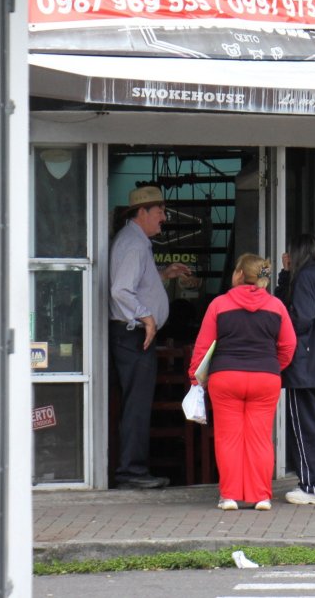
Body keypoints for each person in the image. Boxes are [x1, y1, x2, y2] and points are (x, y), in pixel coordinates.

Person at [189, 253, 296, 511]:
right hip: (265, 379)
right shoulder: (276, 307)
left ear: (238, 274)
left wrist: (195, 377)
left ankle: (230, 496)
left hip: (226, 378)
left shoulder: (219, 304)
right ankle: (261, 496)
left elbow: (203, 347)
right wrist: (273, 366)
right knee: (260, 438)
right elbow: (289, 345)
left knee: (229, 438)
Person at [109, 185, 193, 489]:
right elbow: (120, 289)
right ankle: (131, 472)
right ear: (141, 212)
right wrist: (146, 316)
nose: (164, 217)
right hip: (133, 335)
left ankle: (134, 469)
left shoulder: (136, 242)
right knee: (137, 404)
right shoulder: (133, 244)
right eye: (159, 211)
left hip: (133, 336)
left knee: (138, 403)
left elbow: (135, 280)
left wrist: (163, 274)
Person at [276, 234, 315, 505]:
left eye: (289, 253)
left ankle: (311, 485)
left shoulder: (303, 278)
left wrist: (285, 279)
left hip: (303, 363)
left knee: (303, 424)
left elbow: (301, 317)